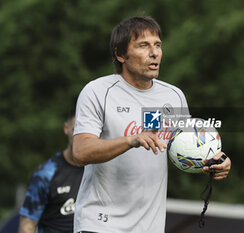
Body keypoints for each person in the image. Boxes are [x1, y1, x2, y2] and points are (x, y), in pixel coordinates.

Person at [72, 16, 231, 233]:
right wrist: (131, 140)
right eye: (143, 46)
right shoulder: (98, 92)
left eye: (157, 45)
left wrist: (215, 161)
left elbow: (187, 148)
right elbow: (81, 152)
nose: (154, 53)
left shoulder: (174, 96)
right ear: (120, 55)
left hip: (150, 228)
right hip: (99, 225)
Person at [18, 107, 84, 233]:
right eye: (76, 129)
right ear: (66, 128)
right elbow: (28, 223)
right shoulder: (46, 173)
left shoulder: (101, 169)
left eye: (86, 130)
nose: (80, 135)